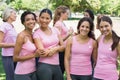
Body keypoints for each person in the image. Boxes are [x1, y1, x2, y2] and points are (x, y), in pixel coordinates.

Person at [33, 8, 64, 80]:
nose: (44, 20)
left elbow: (63, 47)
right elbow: (43, 52)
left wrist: (55, 49)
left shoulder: (55, 30)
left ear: (50, 19)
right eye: (42, 17)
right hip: (44, 66)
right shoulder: (36, 33)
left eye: (47, 18)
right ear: (39, 18)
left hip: (57, 65)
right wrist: (57, 47)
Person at [93, 16, 120, 80]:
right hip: (97, 75)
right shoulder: (100, 38)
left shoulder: (117, 42)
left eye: (106, 26)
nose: (104, 29)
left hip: (110, 76)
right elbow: (93, 47)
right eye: (101, 27)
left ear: (111, 25)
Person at [13, 11, 38, 80]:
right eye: (27, 20)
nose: (31, 21)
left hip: (33, 71)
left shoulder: (34, 34)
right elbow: (15, 58)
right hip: (22, 74)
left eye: (33, 19)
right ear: (23, 22)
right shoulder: (21, 36)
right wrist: (34, 55)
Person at [53, 5, 73, 74]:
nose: (68, 15)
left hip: (65, 49)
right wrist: (69, 34)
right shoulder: (58, 24)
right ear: (62, 14)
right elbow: (58, 40)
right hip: (61, 51)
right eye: (67, 14)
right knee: (61, 69)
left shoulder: (62, 23)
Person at [0, 7, 17, 80]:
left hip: (15, 55)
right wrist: (13, 45)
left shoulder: (12, 26)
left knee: (15, 77)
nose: (16, 15)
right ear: (9, 15)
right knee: (10, 78)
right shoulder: (3, 26)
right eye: (14, 13)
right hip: (8, 57)